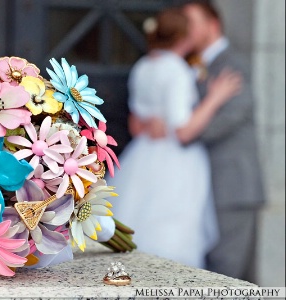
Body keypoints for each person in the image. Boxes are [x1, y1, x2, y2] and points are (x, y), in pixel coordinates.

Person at [133, 2, 265, 282]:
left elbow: (231, 117)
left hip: (230, 185)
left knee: (226, 272)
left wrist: (175, 128)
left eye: (190, 21)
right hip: (192, 183)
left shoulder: (233, 64)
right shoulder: (183, 65)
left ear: (213, 24)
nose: (185, 27)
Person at [107, 7, 242, 269]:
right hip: (175, 162)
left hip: (143, 156)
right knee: (173, 231)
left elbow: (136, 125)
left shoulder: (143, 66)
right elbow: (183, 131)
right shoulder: (176, 70)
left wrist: (155, 123)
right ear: (184, 38)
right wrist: (214, 99)